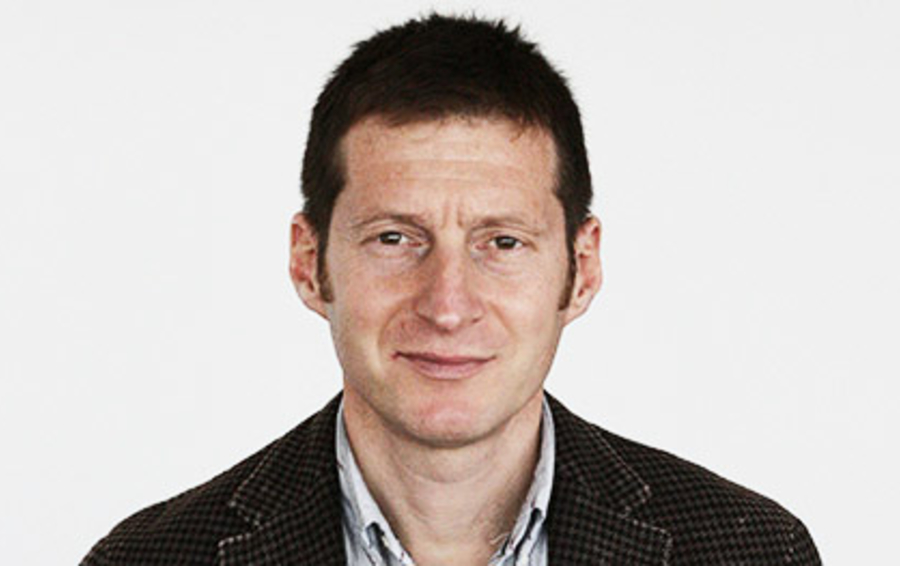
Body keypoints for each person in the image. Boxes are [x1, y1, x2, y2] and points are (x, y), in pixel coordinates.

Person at [82, 14, 820, 565]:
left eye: (502, 242)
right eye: (394, 238)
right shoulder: (146, 560)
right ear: (310, 263)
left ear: (582, 268)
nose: (447, 304)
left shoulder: (750, 552)